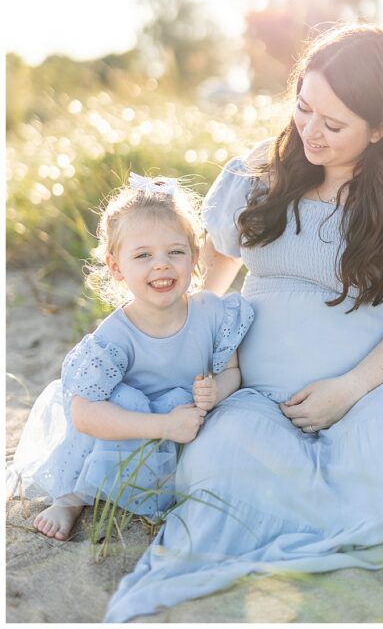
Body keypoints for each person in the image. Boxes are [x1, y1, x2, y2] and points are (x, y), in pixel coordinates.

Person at [104, 24, 383, 622]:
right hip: (257, 396)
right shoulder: (263, 169)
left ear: (381, 127)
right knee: (218, 469)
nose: (310, 132)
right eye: (303, 108)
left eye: (334, 123)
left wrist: (348, 389)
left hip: (376, 389)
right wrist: (177, 343)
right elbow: (212, 273)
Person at [6, 174, 253, 541]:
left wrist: (217, 389)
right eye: (143, 256)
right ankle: (73, 498)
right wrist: (164, 426)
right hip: (124, 427)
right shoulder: (114, 337)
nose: (161, 265)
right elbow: (86, 415)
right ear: (117, 267)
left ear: (195, 256)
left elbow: (232, 371)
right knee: (122, 402)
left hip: (183, 427)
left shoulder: (213, 313)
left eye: (175, 251)